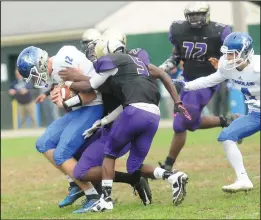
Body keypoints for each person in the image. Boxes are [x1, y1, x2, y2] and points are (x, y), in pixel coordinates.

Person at [59, 38, 191, 212]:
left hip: (133, 112)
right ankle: (173, 176)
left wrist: (68, 82)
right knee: (134, 166)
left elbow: (91, 85)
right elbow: (161, 74)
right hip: (153, 115)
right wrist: (177, 101)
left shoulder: (112, 62)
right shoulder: (140, 65)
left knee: (109, 154)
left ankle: (105, 200)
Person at [16, 45, 104, 209]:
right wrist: (58, 93)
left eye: (34, 75)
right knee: (43, 143)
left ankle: (93, 195)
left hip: (93, 106)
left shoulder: (63, 65)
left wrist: (65, 101)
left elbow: (91, 93)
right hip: (80, 109)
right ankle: (75, 183)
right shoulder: (59, 63)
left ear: (40, 64)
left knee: (61, 154)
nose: (36, 80)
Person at [173, 32, 260, 192]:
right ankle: (243, 179)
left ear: (246, 52)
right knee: (226, 137)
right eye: (227, 53)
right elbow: (210, 80)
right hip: (256, 114)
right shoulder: (226, 66)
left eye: (233, 54)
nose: (228, 57)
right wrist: (186, 86)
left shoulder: (258, 67)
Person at [158, 1, 239, 171]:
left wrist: (225, 65)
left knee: (183, 121)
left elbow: (230, 54)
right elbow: (175, 56)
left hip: (207, 81)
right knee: (185, 124)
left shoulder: (219, 31)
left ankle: (168, 165)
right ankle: (228, 120)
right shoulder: (179, 29)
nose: (195, 18)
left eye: (198, 14)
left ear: (207, 14)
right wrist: (161, 69)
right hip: (187, 82)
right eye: (192, 15)